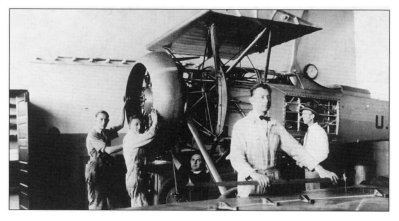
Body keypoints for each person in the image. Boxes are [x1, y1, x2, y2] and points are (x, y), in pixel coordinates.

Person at [229, 83, 338, 197]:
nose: (266, 101)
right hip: (250, 182)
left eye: (268, 97)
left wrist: (319, 169)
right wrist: (253, 174)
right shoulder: (241, 126)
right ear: (251, 100)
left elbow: (295, 149)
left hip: (273, 181)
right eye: (262, 97)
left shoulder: (276, 125)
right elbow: (236, 157)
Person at [85, 103, 126, 210]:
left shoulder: (106, 132)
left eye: (106, 120)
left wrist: (124, 107)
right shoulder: (93, 134)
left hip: (105, 168)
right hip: (95, 169)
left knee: (109, 200)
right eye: (101, 119)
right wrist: (126, 145)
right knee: (97, 202)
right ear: (96, 120)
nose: (104, 122)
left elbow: (121, 125)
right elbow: (107, 150)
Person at [123, 109, 158, 208]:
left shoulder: (131, 137)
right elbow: (150, 135)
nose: (139, 127)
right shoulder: (131, 138)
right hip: (135, 177)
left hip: (135, 176)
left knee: (139, 204)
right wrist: (155, 122)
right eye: (136, 124)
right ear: (129, 126)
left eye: (140, 124)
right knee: (140, 207)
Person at [300, 104, 329, 190]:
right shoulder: (309, 131)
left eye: (305, 114)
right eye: (302, 114)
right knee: (309, 191)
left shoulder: (319, 131)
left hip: (314, 169)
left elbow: (324, 153)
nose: (302, 116)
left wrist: (313, 164)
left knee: (314, 193)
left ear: (312, 116)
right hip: (308, 168)